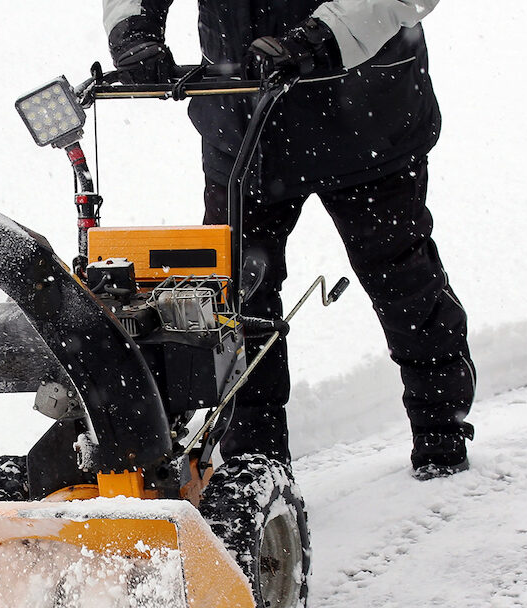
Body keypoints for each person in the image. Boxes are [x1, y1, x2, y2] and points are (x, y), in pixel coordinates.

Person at [105, 0, 476, 479]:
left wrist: (323, 36)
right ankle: (254, 470)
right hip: (242, 125)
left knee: (402, 280)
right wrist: (134, 28)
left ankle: (440, 434)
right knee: (235, 303)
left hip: (365, 120)